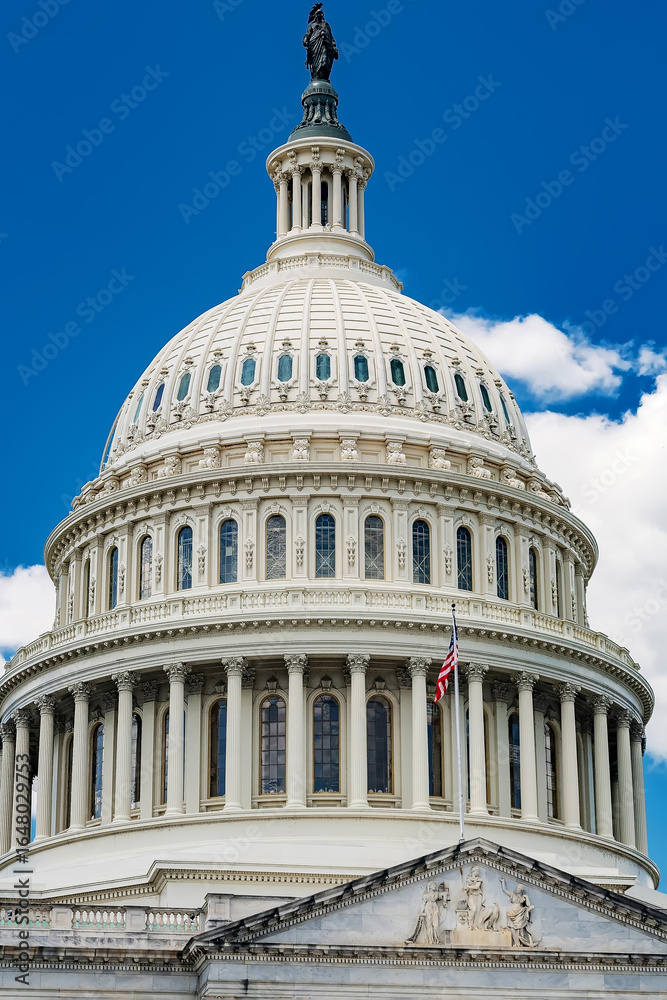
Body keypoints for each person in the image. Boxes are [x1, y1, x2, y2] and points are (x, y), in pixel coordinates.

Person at [499, 878, 540, 948]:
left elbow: (528, 905)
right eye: (517, 888)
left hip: (520, 914)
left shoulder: (523, 897)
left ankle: (520, 942)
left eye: (519, 888)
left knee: (520, 929)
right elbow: (504, 890)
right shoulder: (512, 895)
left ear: (521, 890)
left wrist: (527, 897)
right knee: (512, 929)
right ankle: (516, 942)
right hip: (511, 913)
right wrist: (503, 882)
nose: (517, 889)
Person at [303, 6, 339, 82]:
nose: (320, 15)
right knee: (315, 63)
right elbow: (307, 35)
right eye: (318, 13)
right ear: (315, 15)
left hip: (325, 43)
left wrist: (334, 46)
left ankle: (324, 77)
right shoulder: (311, 25)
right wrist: (305, 40)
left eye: (321, 13)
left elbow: (331, 37)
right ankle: (316, 76)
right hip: (314, 45)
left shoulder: (326, 25)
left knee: (324, 59)